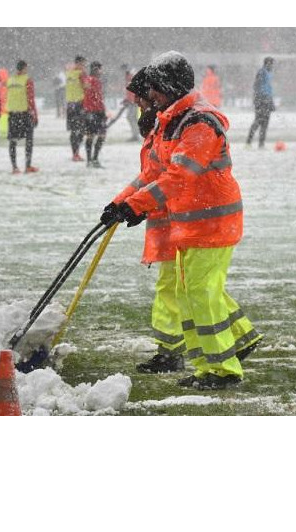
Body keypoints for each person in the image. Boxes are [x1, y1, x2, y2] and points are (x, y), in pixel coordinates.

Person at [100, 51, 261, 390]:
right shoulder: (174, 119)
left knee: (201, 294)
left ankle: (223, 369)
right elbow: (154, 172)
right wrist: (120, 203)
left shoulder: (198, 123)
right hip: (190, 225)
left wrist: (137, 207)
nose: (150, 98)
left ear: (170, 87)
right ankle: (208, 365)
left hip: (213, 224)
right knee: (191, 295)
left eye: (155, 89)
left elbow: (179, 177)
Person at [5, 60, 39, 174]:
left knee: (13, 141)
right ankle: (27, 166)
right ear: (24, 68)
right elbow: (31, 99)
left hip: (12, 113)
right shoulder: (27, 80)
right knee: (29, 140)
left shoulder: (10, 80)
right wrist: (35, 115)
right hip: (24, 113)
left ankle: (14, 167)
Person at [83, 61, 108, 167]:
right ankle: (95, 159)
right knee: (102, 135)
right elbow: (97, 98)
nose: (101, 72)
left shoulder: (87, 80)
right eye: (100, 69)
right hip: (96, 112)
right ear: (96, 69)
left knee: (90, 136)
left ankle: (89, 160)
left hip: (88, 111)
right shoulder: (96, 81)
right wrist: (103, 112)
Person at [248, 56, 275, 148]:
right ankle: (248, 142)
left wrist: (271, 101)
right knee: (258, 121)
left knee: (265, 122)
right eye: (271, 64)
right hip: (261, 100)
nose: (272, 66)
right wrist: (259, 99)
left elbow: (269, 89)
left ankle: (261, 144)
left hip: (267, 100)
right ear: (267, 64)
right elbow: (256, 86)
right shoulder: (261, 72)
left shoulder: (269, 73)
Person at [65, 56, 88, 161]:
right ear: (79, 64)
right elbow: (87, 87)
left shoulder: (69, 73)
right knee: (82, 129)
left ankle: (74, 153)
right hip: (79, 104)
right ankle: (76, 153)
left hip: (70, 105)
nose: (84, 66)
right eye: (83, 64)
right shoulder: (81, 73)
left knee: (73, 130)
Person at [119, 65, 141, 141]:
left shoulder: (131, 78)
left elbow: (132, 91)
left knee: (131, 117)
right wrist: (126, 99)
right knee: (132, 117)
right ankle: (136, 133)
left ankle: (136, 134)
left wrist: (130, 99)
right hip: (132, 101)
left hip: (133, 102)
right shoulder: (129, 78)